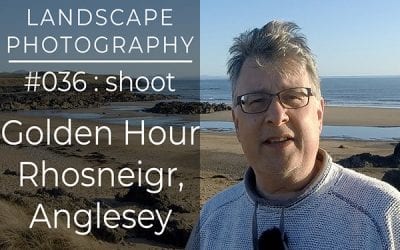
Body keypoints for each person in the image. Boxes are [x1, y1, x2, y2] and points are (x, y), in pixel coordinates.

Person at [187, 20, 400, 249]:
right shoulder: (212, 221)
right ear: (236, 123)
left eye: (294, 97)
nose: (277, 116)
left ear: (319, 114)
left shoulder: (383, 215)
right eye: (256, 100)